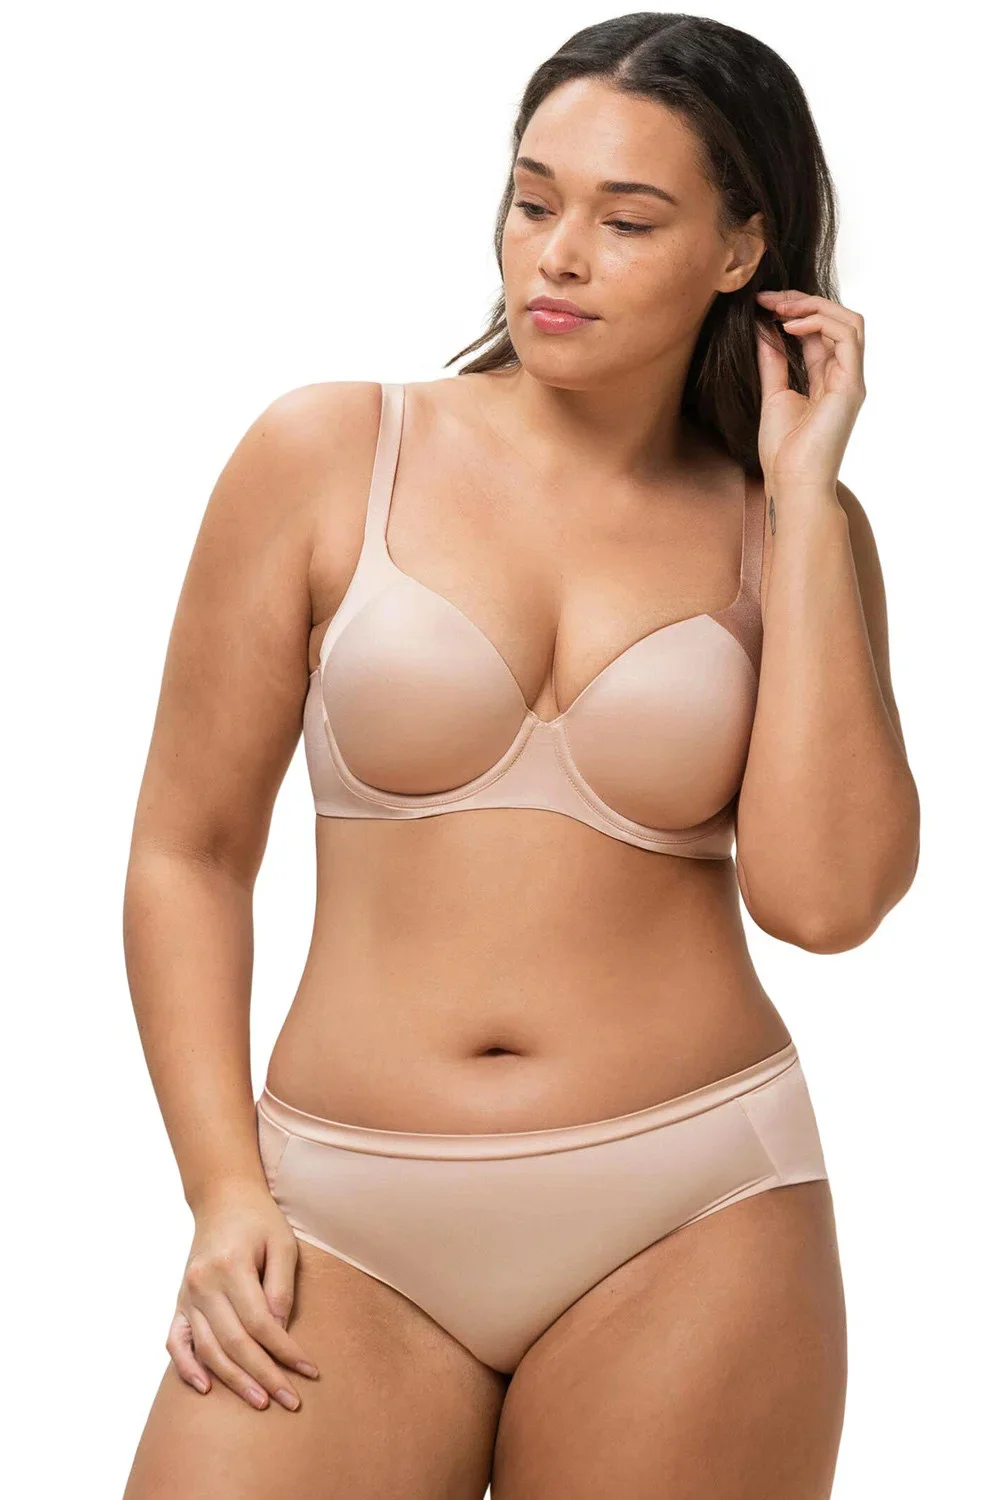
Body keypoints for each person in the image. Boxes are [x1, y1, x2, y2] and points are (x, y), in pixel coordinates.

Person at [122, 13, 919, 1499]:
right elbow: (190, 852)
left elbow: (824, 903)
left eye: (628, 220)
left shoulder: (788, 532)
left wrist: (807, 500)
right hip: (337, 1218)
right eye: (532, 200)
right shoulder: (328, 455)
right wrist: (223, 1187)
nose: (556, 256)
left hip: (690, 1209)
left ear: (741, 248)